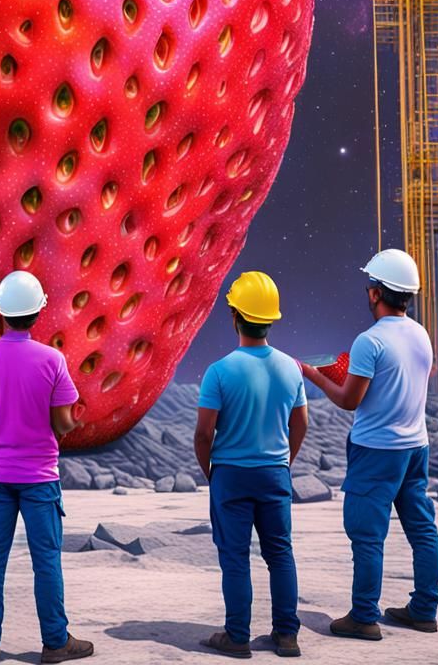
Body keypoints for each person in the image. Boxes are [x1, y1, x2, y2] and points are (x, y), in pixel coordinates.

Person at [302, 249, 438, 640]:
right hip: (416, 446)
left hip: (376, 450)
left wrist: (313, 375)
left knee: (367, 535)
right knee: (422, 530)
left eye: (370, 286)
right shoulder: (421, 334)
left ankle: (364, 616)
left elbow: (350, 400)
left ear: (376, 293)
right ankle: (425, 609)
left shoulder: (370, 341)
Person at [0, 270, 93, 665]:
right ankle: (55, 643)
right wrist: (77, 419)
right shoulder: (53, 360)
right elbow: (62, 422)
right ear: (38, 314)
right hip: (40, 479)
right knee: (46, 560)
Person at [194, 271, 308, 660]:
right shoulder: (291, 368)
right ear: (271, 319)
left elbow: (204, 434)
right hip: (275, 473)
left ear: (234, 316)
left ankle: (237, 636)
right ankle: (287, 635)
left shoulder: (219, 371)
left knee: (235, 557)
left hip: (230, 475)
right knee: (280, 553)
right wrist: (284, 461)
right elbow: (302, 423)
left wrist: (210, 472)